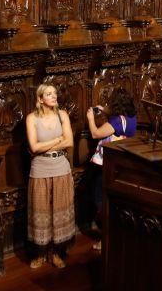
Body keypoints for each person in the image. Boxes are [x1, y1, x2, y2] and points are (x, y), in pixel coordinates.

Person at [25, 84, 75, 269]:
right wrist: (56, 140)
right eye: (49, 94)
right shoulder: (32, 118)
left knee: (59, 211)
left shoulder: (63, 115)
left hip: (61, 168)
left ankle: (55, 253)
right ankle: (41, 253)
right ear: (40, 99)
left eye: (55, 93)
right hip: (39, 169)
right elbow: (34, 147)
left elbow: (69, 142)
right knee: (41, 211)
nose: (54, 96)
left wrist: (47, 144)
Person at [85, 88, 137, 253]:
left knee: (100, 202)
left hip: (105, 165)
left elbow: (95, 133)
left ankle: (106, 239)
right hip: (121, 164)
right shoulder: (131, 118)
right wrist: (104, 110)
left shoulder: (115, 122)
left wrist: (90, 118)